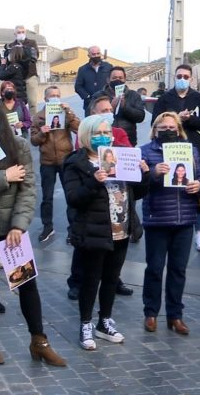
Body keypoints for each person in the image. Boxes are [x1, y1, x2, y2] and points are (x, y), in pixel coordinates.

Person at [0, 100, 66, 367]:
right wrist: (4, 177)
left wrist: (18, 226)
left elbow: (29, 189)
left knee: (26, 283)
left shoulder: (19, 146)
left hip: (11, 230)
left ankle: (39, 340)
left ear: (1, 118)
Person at [63, 114, 150, 350]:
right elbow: (73, 198)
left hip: (120, 228)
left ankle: (105, 321)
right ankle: (85, 323)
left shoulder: (120, 157)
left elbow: (137, 192)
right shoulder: (75, 163)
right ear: (85, 136)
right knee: (91, 280)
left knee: (111, 279)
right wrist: (94, 181)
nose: (103, 137)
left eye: (106, 133)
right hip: (93, 230)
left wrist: (144, 174)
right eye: (97, 133)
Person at [141, 111, 200, 335]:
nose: (168, 131)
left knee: (178, 270)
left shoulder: (190, 150)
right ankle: (151, 313)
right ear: (155, 130)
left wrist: (199, 185)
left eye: (172, 128)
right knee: (155, 268)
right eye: (163, 128)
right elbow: (139, 185)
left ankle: (175, 315)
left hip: (185, 218)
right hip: (158, 218)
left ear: (179, 130)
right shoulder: (146, 151)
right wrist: (154, 173)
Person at [152, 64, 200, 251]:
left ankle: (199, 231)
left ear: (191, 79)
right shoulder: (165, 98)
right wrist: (176, 118)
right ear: (174, 77)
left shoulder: (198, 98)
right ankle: (171, 223)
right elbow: (156, 120)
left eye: (186, 76)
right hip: (168, 147)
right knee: (171, 185)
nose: (182, 79)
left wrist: (189, 120)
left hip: (194, 147)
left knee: (195, 188)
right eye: (179, 76)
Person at [30, 86, 80, 242]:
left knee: (70, 195)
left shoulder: (66, 113)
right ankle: (47, 227)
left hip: (66, 159)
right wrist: (42, 133)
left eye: (58, 95)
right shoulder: (38, 116)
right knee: (47, 197)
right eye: (52, 95)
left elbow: (79, 128)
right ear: (45, 99)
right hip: (47, 162)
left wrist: (69, 112)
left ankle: (73, 229)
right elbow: (33, 140)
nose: (55, 98)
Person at [91, 67, 146, 146]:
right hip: (104, 140)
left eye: (120, 78)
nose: (118, 80)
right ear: (108, 80)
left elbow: (140, 117)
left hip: (128, 140)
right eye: (114, 78)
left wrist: (125, 107)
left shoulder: (133, 95)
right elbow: (91, 117)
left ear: (125, 80)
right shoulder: (98, 96)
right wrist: (110, 108)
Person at [4, 25, 39, 116]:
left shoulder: (32, 43)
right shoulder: (11, 46)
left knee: (32, 102)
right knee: (16, 102)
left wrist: (22, 50)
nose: (21, 34)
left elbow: (35, 57)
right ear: (15, 33)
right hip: (16, 78)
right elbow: (8, 60)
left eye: (23, 32)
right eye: (19, 32)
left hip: (30, 76)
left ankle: (33, 124)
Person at [75, 46, 112, 116]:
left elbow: (112, 82)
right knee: (91, 126)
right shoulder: (82, 69)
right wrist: (87, 97)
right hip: (90, 106)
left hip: (106, 104)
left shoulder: (108, 67)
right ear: (89, 55)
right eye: (93, 54)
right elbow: (78, 86)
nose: (96, 56)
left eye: (98, 53)